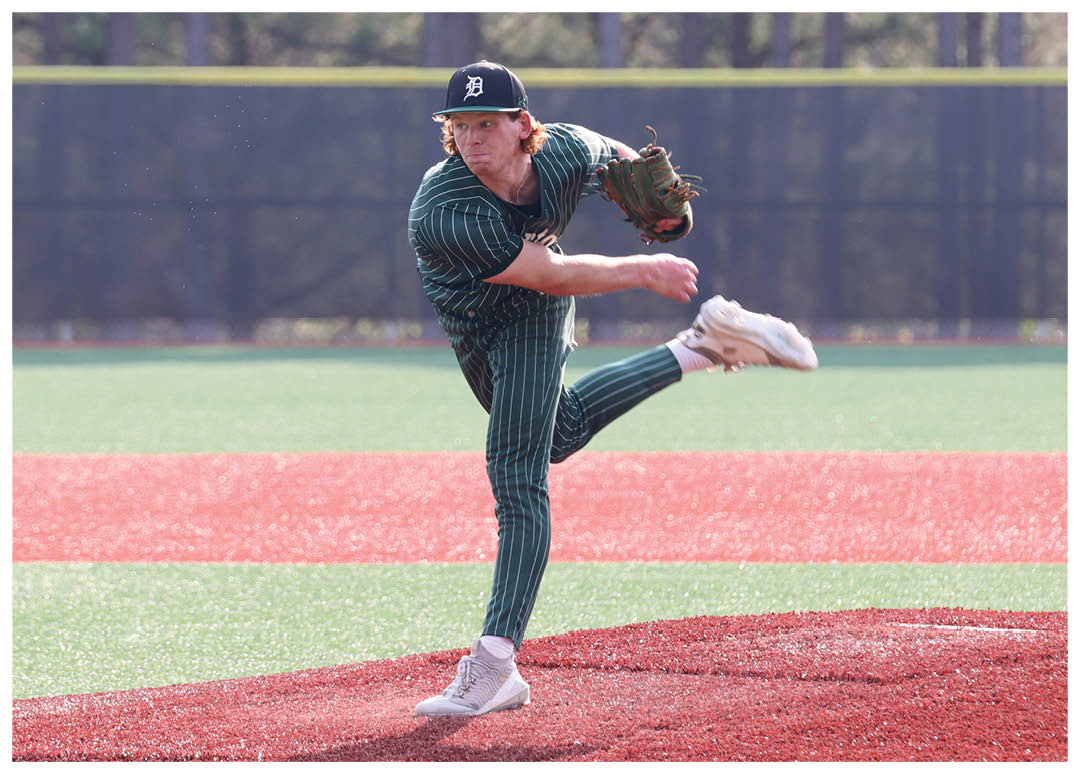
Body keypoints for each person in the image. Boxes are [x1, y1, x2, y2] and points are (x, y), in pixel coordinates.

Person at [407, 61, 816, 717]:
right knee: (561, 432)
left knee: (517, 471)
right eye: (460, 126)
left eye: (487, 123)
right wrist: (641, 267)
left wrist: (657, 201)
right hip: (481, 324)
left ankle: (493, 664)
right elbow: (545, 273)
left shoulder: (561, 148)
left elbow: (612, 156)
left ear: (523, 126)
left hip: (531, 322)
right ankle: (704, 345)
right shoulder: (445, 207)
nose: (473, 138)